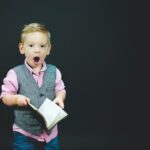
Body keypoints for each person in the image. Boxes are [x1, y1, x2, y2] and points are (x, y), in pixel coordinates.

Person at [0, 22, 66, 150]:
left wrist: (60, 97)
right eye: (31, 45)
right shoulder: (15, 73)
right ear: (22, 48)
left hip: (50, 134)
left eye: (42, 46)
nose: (37, 50)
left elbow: (60, 89)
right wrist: (16, 99)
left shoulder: (54, 71)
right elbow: (4, 96)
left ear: (48, 49)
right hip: (24, 133)